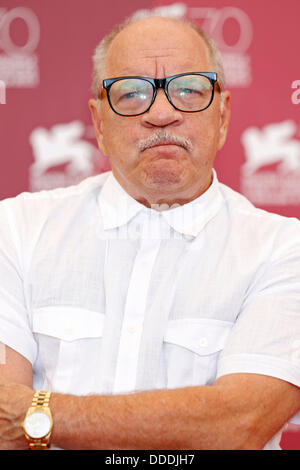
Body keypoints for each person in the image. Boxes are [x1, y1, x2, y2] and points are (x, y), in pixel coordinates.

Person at [0, 14, 300, 451]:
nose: (162, 113)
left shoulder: (284, 250)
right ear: (99, 123)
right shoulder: (16, 229)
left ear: (223, 115)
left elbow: (239, 423)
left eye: (189, 90)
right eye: (133, 94)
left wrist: (37, 415)